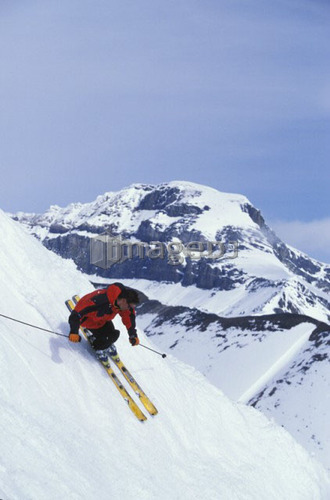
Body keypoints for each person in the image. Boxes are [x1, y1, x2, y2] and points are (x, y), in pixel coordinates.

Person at [68, 282, 140, 359]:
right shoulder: (99, 300)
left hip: (102, 321)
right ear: (124, 300)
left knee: (114, 334)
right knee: (107, 339)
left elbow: (129, 317)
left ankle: (102, 341)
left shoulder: (121, 305)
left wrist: (132, 335)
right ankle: (97, 347)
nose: (129, 309)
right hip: (89, 321)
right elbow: (76, 315)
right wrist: (74, 332)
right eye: (129, 306)